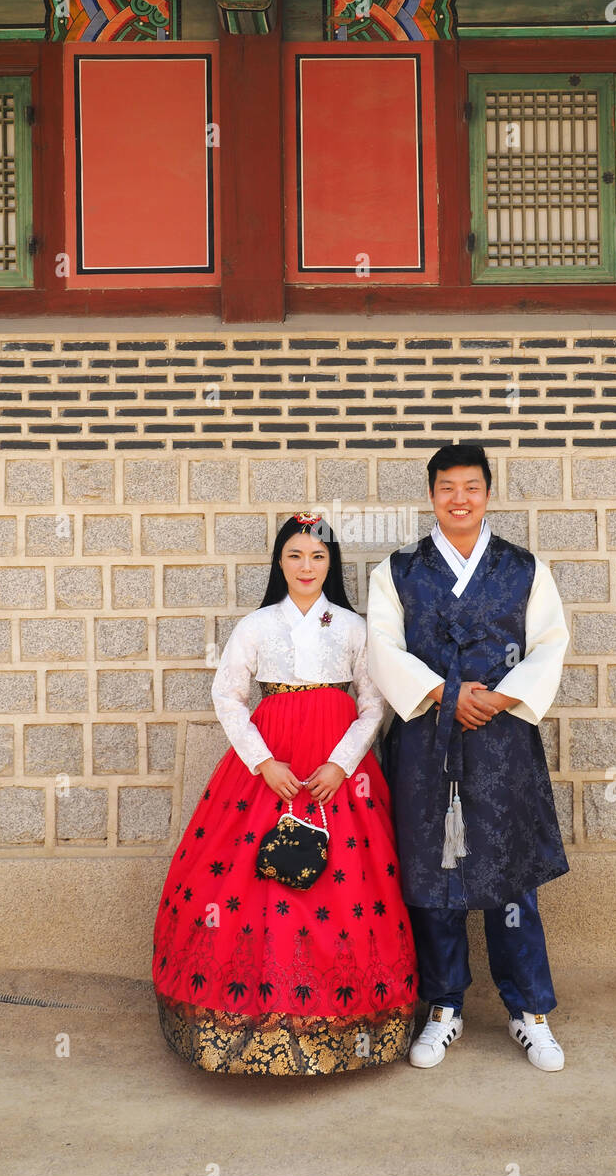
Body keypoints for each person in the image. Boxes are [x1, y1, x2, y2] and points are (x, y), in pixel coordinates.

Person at [153, 513, 417, 1075]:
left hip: (336, 776)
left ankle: (352, 1028)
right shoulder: (255, 627)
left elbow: (374, 704)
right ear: (280, 561)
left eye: (317, 557)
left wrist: (341, 765)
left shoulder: (352, 628)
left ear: (331, 565)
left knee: (351, 886)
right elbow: (228, 696)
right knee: (247, 882)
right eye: (295, 555)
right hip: (270, 771)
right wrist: (263, 762)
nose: (306, 566)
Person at [366, 444, 570, 1072]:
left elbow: (549, 643)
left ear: (487, 493)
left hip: (502, 739)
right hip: (426, 741)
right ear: (432, 495)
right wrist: (443, 695)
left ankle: (529, 1011)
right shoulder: (396, 571)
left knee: (511, 875)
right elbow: (382, 649)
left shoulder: (523, 568)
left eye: (472, 487)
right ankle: (443, 1006)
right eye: (448, 487)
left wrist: (497, 697)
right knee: (432, 879)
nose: (460, 499)